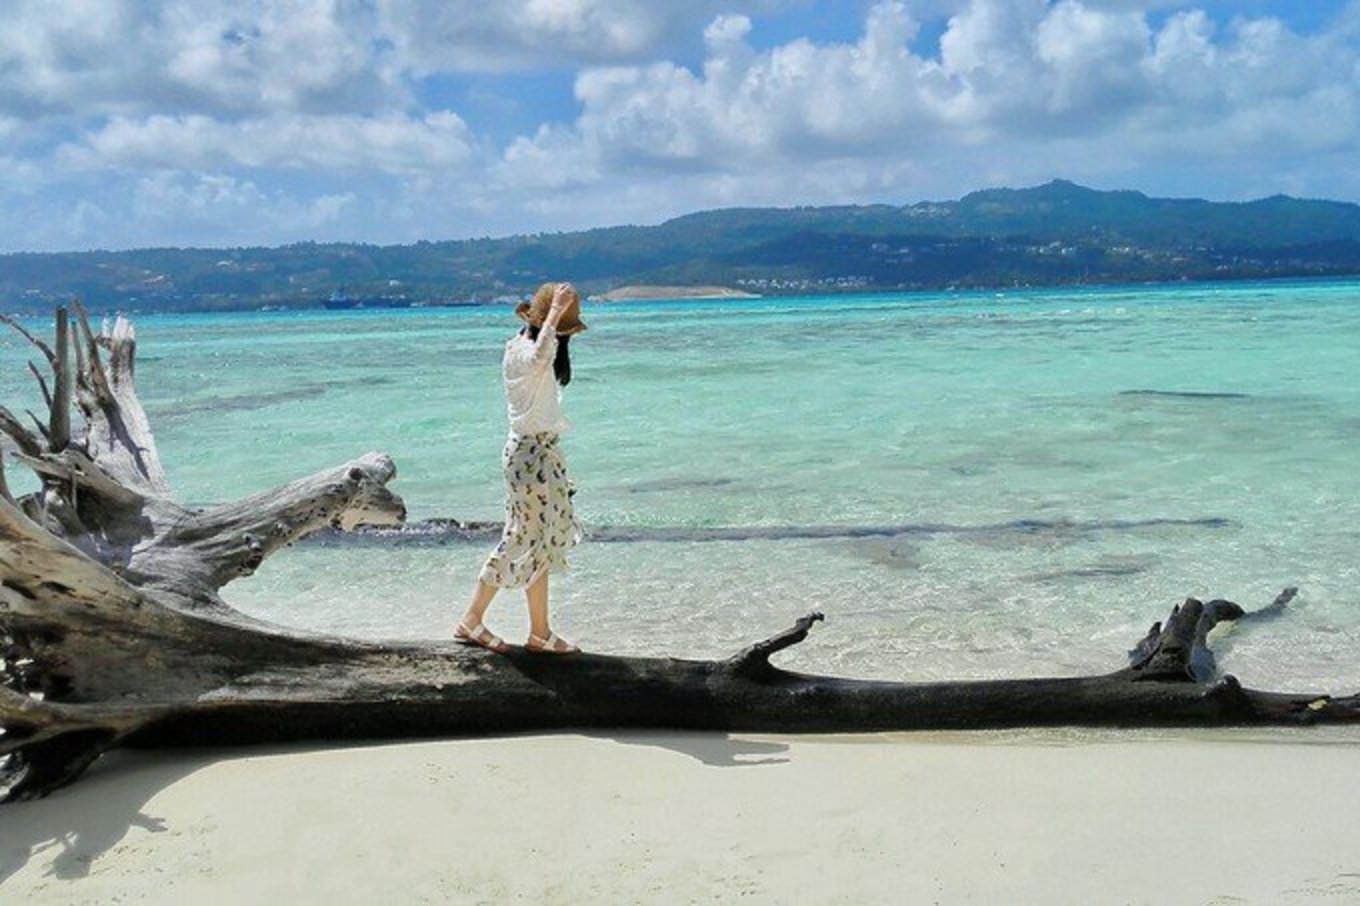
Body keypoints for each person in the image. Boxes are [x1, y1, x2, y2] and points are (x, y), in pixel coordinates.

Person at [455, 282, 587, 654]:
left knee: (538, 543)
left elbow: (544, 353)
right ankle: (471, 619)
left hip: (537, 457)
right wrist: (557, 313)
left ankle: (540, 633)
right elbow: (541, 355)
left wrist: (553, 317)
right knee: (519, 538)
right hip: (530, 459)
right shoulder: (525, 352)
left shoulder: (526, 346)